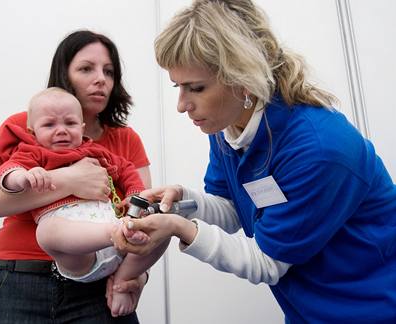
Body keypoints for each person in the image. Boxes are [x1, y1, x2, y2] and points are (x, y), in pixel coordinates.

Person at [111, 0, 396, 323]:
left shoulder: (320, 149)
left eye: (197, 88)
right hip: (308, 311)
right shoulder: (227, 126)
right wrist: (182, 201)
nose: (181, 105)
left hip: (373, 306)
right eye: (178, 87)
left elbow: (267, 262)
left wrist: (180, 227)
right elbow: (234, 209)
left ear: (241, 77)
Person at [0, 30, 151, 323]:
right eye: (86, 68)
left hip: (97, 287)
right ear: (64, 74)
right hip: (17, 280)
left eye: (109, 71)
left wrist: (136, 276)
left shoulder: (127, 140)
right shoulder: (23, 126)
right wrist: (70, 180)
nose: (101, 78)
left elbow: (142, 215)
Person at [0, 87, 165, 316]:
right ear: (32, 131)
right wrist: (23, 178)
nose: (61, 131)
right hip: (80, 250)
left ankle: (125, 278)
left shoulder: (95, 151)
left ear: (82, 128)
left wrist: (136, 193)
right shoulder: (33, 153)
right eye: (49, 125)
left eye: (70, 123)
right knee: (47, 232)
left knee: (163, 227)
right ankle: (116, 232)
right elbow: (7, 170)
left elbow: (125, 168)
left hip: (116, 245)